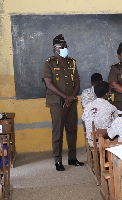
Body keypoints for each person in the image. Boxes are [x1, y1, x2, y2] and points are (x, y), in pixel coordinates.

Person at [42, 34, 83, 171]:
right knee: (58, 132)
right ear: (55, 48)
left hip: (70, 101)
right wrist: (65, 97)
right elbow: (48, 83)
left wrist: (71, 97)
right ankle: (58, 161)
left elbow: (76, 81)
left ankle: (72, 158)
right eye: (62, 47)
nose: (65, 49)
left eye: (66, 46)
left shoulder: (72, 62)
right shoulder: (49, 63)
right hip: (56, 102)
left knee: (72, 130)